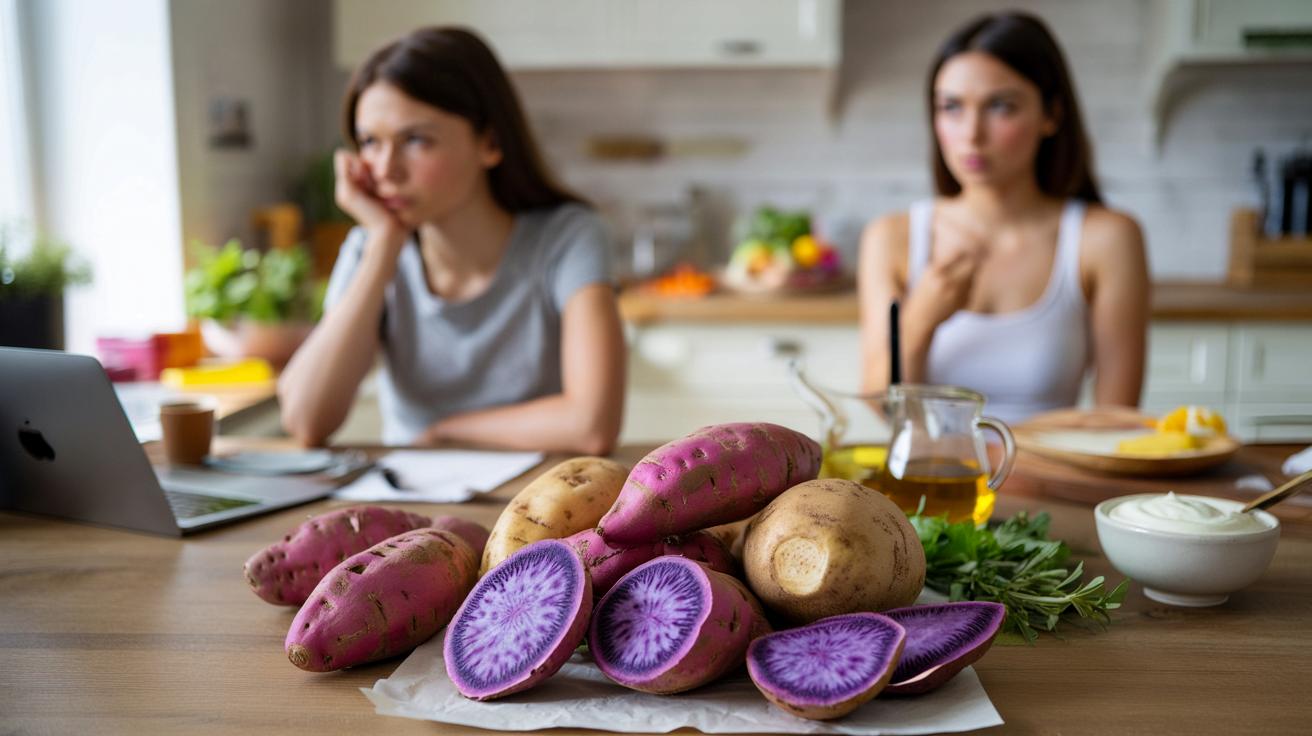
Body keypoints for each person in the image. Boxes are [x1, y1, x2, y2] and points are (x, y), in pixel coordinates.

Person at [279, 27, 625, 453]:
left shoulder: (568, 238)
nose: (386, 170)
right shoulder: (369, 249)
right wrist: (383, 245)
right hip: (411, 501)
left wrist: (447, 431)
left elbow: (591, 426)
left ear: (491, 143)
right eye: (370, 142)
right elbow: (305, 420)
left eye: (416, 140)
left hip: (540, 502)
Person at [857, 11, 1148, 425]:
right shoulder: (892, 237)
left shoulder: (1106, 238)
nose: (971, 134)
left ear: (1052, 115)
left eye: (1000, 106)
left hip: (1053, 481)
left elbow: (1117, 421)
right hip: (932, 486)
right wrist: (922, 316)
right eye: (952, 107)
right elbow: (883, 408)